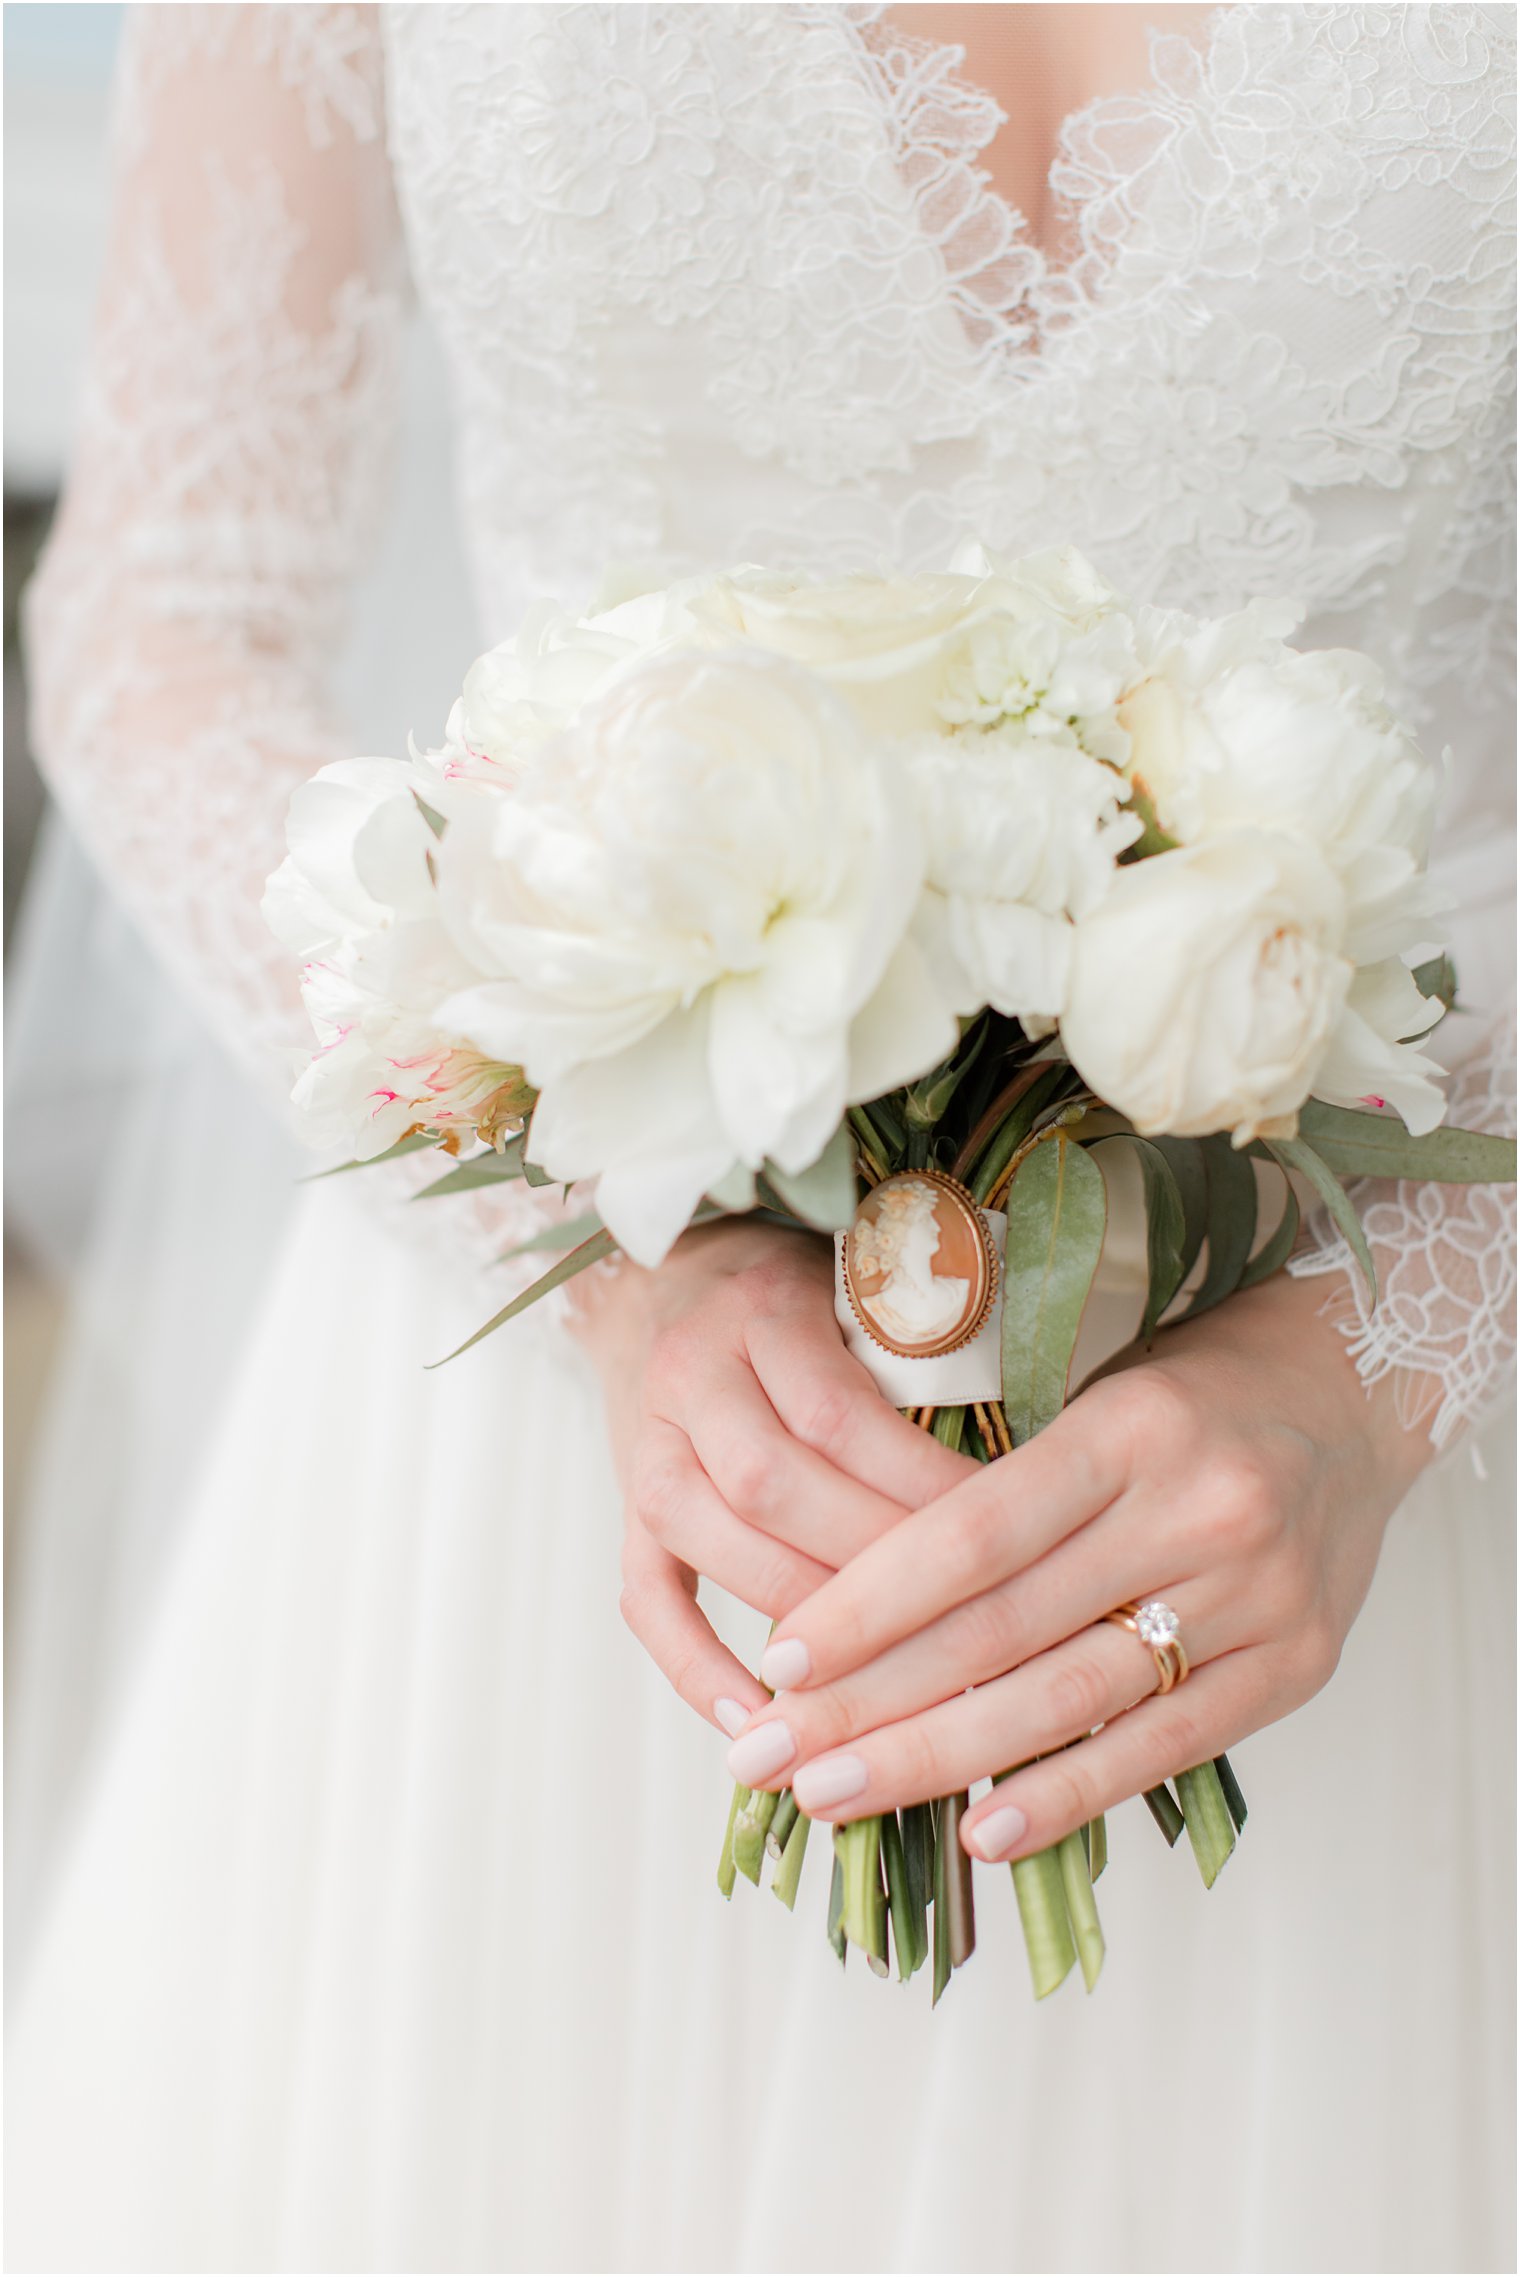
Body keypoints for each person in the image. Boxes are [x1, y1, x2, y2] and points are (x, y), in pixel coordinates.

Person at [7, 6, 1515, 2270]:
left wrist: (1395, 1346)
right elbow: (168, 617)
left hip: (1382, 1547)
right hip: (573, 1504)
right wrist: (588, 1240)